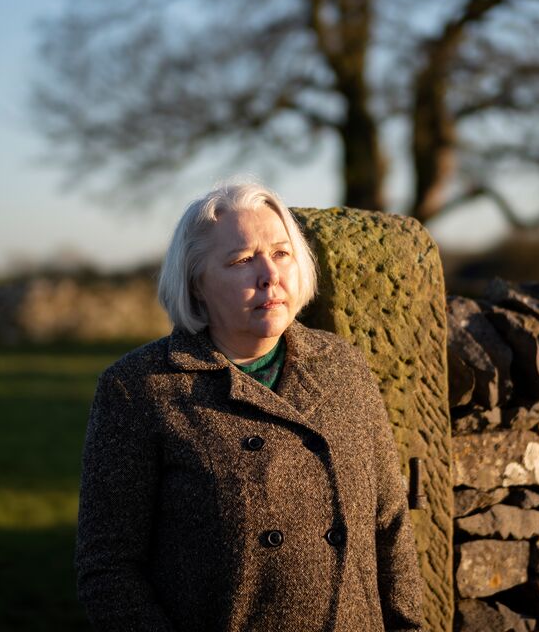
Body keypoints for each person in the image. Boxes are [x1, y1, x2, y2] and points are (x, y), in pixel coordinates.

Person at [75, 181, 425, 632]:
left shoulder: (343, 366)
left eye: (280, 253)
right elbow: (108, 570)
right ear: (196, 283)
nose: (270, 275)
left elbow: (390, 523)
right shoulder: (140, 388)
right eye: (242, 260)